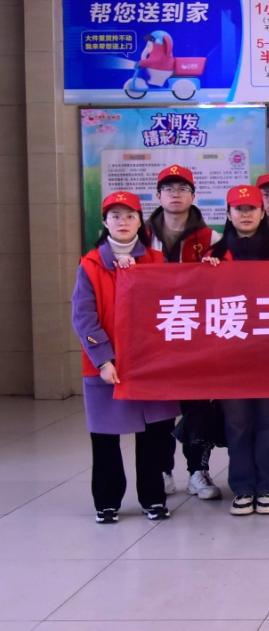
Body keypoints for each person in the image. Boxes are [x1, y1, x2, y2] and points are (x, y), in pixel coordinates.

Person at [72, 191, 180, 523]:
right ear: (105, 222)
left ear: (139, 222)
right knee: (105, 438)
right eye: (116, 216)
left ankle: (153, 498)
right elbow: (84, 317)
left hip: (150, 366)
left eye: (130, 216)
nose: (123, 222)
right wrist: (104, 359)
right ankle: (107, 502)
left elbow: (170, 309)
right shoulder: (90, 264)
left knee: (154, 436)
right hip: (106, 366)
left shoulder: (157, 262)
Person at [203, 185, 269, 516]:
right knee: (238, 424)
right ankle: (242, 487)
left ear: (262, 213)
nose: (245, 215)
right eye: (238, 209)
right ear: (228, 214)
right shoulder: (213, 255)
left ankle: (267, 488)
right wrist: (206, 275)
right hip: (231, 354)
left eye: (251, 209)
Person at [144, 163, 222, 500]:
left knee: (197, 405)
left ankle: (197, 471)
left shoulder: (212, 239)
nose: (175, 195)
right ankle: (162, 469)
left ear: (193, 196)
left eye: (182, 189)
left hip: (196, 335)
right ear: (158, 196)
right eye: (169, 189)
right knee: (159, 407)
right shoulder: (140, 237)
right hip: (153, 334)